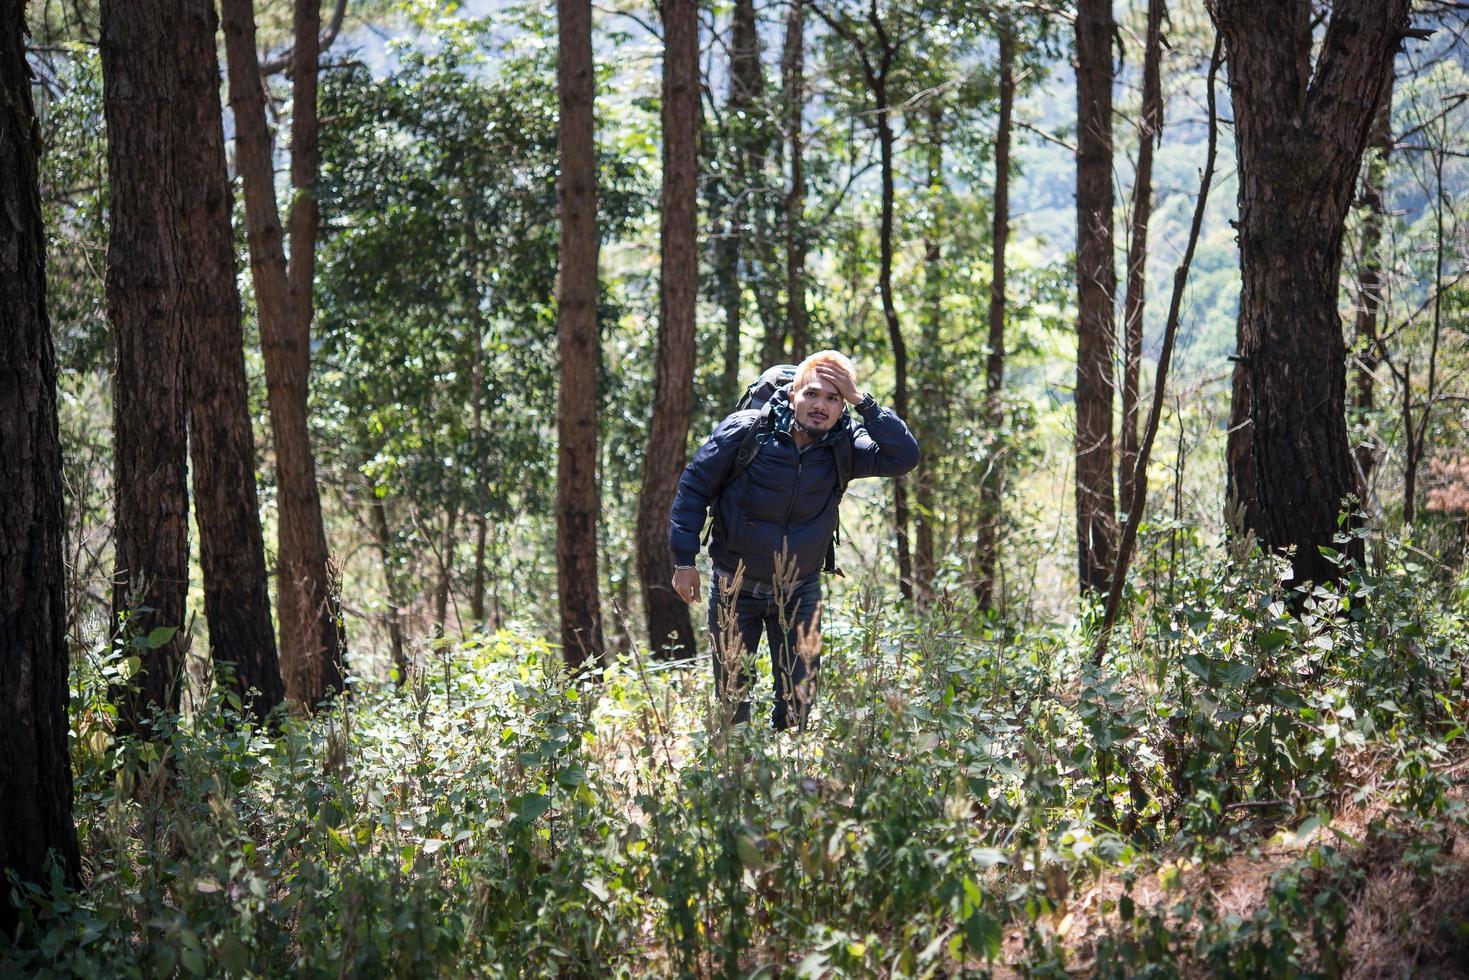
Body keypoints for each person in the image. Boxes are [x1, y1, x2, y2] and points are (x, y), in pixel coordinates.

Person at [667, 350, 919, 730]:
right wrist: (684, 561)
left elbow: (904, 457)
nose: (820, 406)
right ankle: (738, 778)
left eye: (833, 398)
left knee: (798, 702)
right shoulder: (746, 430)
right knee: (733, 700)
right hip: (735, 587)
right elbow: (693, 488)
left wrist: (864, 402)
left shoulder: (845, 444)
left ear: (842, 404)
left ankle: (788, 777)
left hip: (800, 590)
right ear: (791, 395)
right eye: (812, 394)